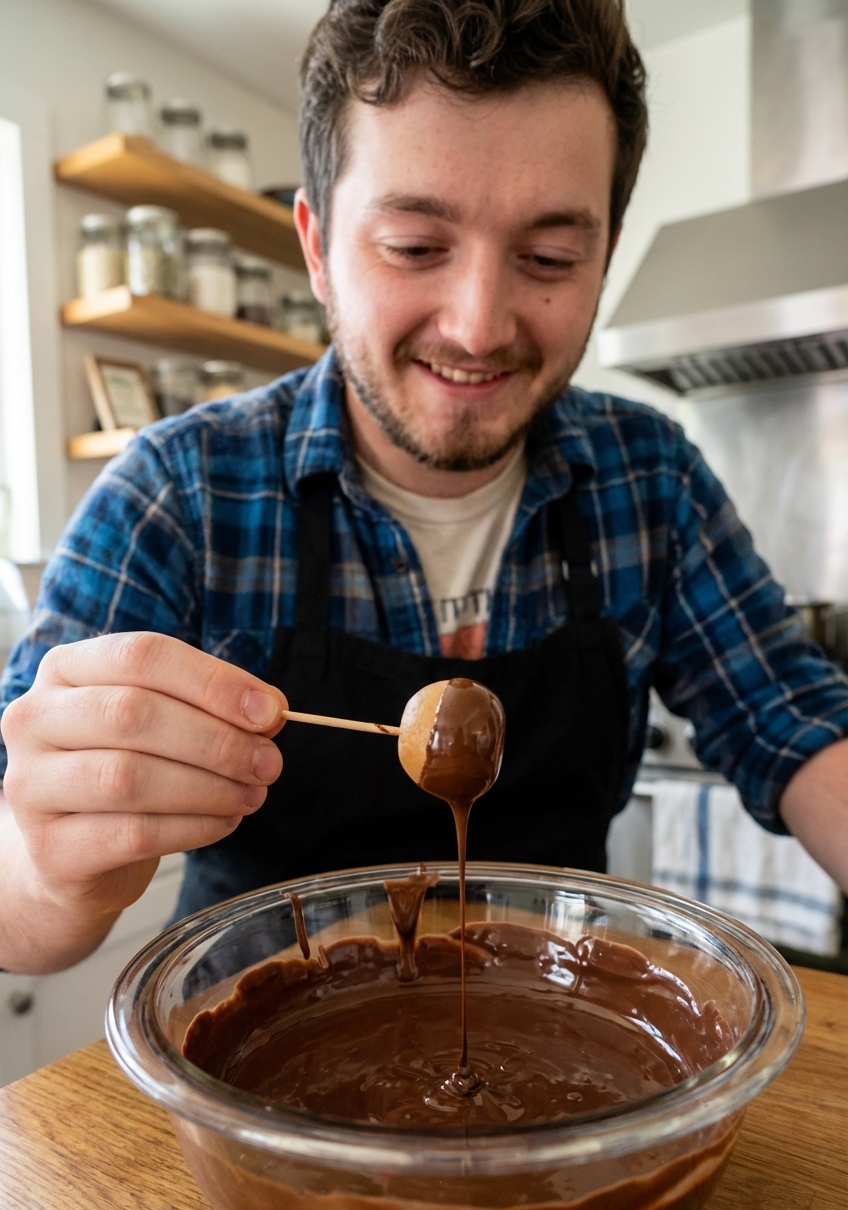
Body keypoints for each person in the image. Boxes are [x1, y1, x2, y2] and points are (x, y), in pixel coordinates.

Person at [1, 0, 847, 975]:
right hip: (251, 1068)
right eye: (413, 246)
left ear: (604, 253)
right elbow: (13, 902)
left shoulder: (648, 477)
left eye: (547, 258)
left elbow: (792, 721)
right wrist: (59, 871)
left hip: (550, 1051)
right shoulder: (179, 491)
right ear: (316, 248)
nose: (479, 324)